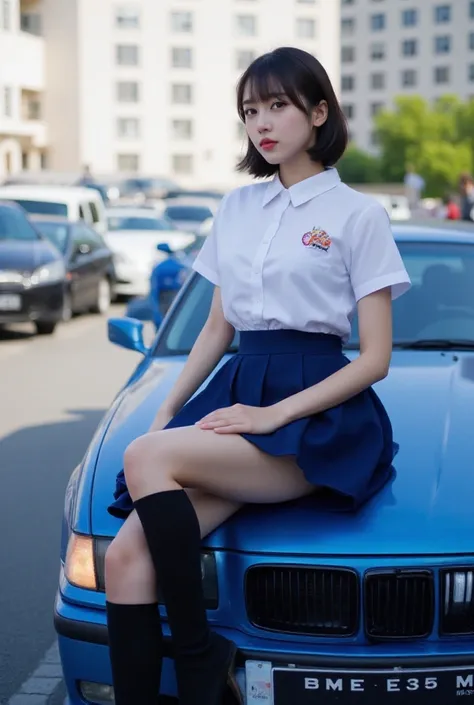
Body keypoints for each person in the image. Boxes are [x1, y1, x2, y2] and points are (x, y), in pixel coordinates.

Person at [104, 46, 411, 705]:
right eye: (250, 110)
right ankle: (191, 665)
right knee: (127, 559)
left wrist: (275, 415)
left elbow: (375, 357)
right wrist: (168, 410)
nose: (262, 123)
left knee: (145, 458)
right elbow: (218, 327)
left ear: (319, 111)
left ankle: (195, 655)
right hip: (241, 394)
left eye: (278, 105)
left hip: (317, 423)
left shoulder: (359, 214)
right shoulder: (237, 208)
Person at [149, 242, 189, 328]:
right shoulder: (181, 266)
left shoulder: (159, 268)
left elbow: (154, 292)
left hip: (164, 307)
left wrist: (156, 315)